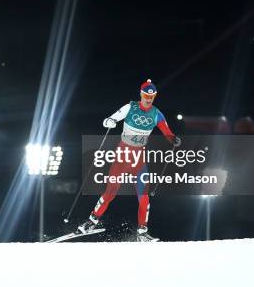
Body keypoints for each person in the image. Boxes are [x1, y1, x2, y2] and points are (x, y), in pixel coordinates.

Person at [77, 79, 180, 242]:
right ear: (141, 94)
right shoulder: (130, 107)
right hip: (122, 156)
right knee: (111, 192)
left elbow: (167, 131)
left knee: (144, 196)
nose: (148, 99)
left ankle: (142, 232)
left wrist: (172, 139)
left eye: (151, 97)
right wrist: (109, 122)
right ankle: (91, 221)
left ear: (154, 97)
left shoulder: (157, 114)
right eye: (146, 95)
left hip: (139, 159)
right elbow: (110, 119)